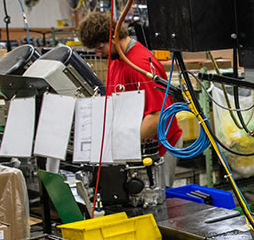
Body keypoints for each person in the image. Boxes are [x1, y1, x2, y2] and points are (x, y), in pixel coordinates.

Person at [78, 12, 182, 185]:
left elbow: (158, 117)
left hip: (160, 147)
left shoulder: (138, 65)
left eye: (99, 47)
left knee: (154, 199)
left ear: (113, 37)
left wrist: (119, 146)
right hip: (138, 144)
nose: (97, 54)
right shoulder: (117, 58)